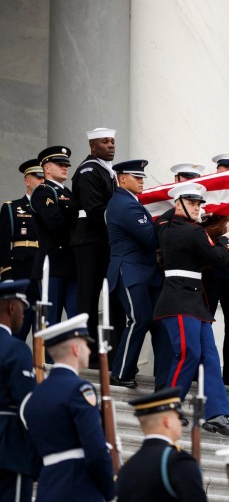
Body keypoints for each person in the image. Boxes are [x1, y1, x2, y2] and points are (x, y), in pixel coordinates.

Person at [153, 182, 229, 437]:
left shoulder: (165, 227)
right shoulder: (193, 232)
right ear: (178, 204)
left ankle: (216, 414)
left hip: (193, 303)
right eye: (192, 203)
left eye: (198, 204)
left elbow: (164, 219)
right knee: (188, 354)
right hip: (180, 301)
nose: (197, 208)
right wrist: (226, 241)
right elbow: (218, 258)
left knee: (209, 358)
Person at [20, 313, 115, 502]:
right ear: (75, 349)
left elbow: (33, 460)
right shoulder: (80, 390)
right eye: (86, 345)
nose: (90, 350)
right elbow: (96, 449)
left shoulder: (36, 397)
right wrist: (109, 488)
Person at [107, 159, 170, 390]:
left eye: (142, 177)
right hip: (131, 271)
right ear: (122, 179)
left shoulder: (132, 203)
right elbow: (151, 238)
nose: (142, 181)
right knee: (139, 319)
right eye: (137, 177)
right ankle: (122, 372)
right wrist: (170, 217)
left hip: (146, 272)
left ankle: (164, 382)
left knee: (160, 324)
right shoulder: (124, 204)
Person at [116, 387, 216, 502]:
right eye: (178, 417)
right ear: (167, 421)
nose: (180, 422)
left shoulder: (126, 470)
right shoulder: (177, 461)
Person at [71, 127, 122, 353]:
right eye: (105, 142)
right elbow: (94, 209)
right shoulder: (88, 170)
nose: (111, 145)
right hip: (90, 241)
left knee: (110, 296)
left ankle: (107, 349)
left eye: (112, 141)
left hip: (104, 240)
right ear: (93, 147)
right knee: (88, 296)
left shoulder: (106, 171)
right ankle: (87, 349)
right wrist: (123, 219)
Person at [204, 151, 229, 385]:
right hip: (211, 269)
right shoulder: (210, 197)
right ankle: (203, 368)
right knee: (203, 321)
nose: (223, 175)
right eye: (221, 171)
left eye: (228, 171)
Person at [0, 280, 37, 502]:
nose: (25, 314)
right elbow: (28, 408)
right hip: (9, 450)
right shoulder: (16, 350)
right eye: (23, 307)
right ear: (12, 307)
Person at [30, 145, 78, 325]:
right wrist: (78, 220)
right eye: (60, 164)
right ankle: (48, 355)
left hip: (71, 264)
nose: (65, 167)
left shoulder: (68, 193)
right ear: (47, 168)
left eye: (66, 164)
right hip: (53, 265)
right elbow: (55, 223)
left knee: (76, 318)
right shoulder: (44, 192)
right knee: (51, 320)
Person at [0, 159, 44, 339]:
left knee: (43, 333)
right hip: (21, 272)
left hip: (44, 274)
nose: (42, 181)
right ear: (27, 180)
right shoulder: (12, 208)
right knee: (19, 329)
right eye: (38, 177)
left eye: (44, 178)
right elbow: (2, 243)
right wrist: (6, 275)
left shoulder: (50, 208)